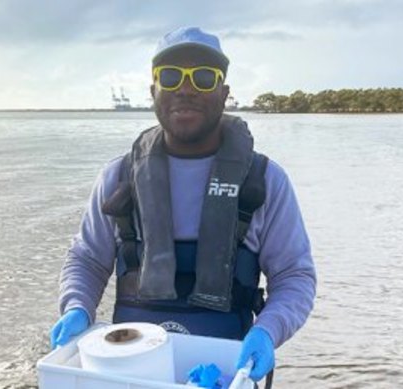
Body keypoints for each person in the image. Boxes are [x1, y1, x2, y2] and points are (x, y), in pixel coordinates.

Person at [50, 26, 316, 384]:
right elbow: (87, 258)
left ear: (224, 93)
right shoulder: (117, 178)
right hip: (127, 372)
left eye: (204, 77)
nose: (186, 88)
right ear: (153, 91)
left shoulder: (265, 181)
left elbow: (294, 276)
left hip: (227, 372)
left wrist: (268, 331)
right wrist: (77, 307)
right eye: (171, 76)